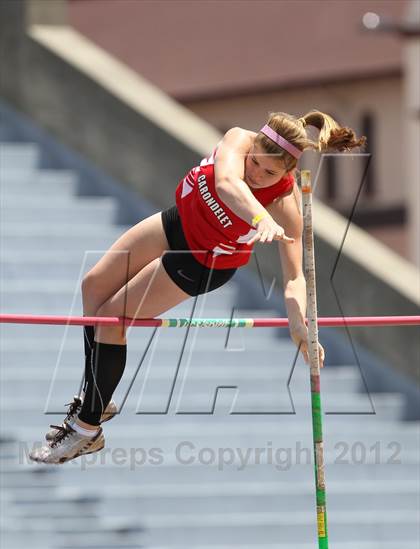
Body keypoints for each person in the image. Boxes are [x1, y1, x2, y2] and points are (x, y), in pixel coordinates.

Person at [29, 110, 365, 464]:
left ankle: (87, 430)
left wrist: (299, 326)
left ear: (288, 173)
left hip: (203, 261)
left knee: (113, 317)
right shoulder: (239, 138)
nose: (256, 174)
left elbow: (296, 276)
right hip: (178, 222)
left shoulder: (286, 207)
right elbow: (226, 184)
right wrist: (258, 216)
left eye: (269, 173)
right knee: (93, 286)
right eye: (254, 164)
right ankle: (98, 398)